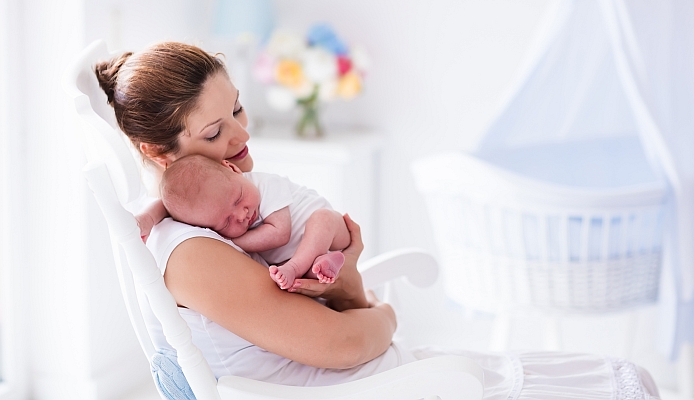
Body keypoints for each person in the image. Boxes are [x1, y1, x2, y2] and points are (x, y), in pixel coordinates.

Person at [94, 41, 661, 398]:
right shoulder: (194, 255)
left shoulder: (237, 212)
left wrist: (348, 285)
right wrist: (385, 314)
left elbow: (342, 313)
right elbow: (343, 344)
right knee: (617, 384)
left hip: (373, 370)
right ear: (156, 150)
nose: (243, 136)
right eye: (215, 133)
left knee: (620, 376)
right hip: (358, 381)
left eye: (237, 109)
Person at [140, 153, 349, 289]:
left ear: (232, 169)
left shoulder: (266, 184)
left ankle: (307, 264)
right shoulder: (209, 208)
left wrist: (229, 241)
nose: (241, 215)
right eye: (225, 222)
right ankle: (324, 264)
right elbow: (169, 207)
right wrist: (147, 219)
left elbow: (280, 233)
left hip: (333, 232)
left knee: (322, 218)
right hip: (300, 261)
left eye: (238, 199)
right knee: (296, 282)